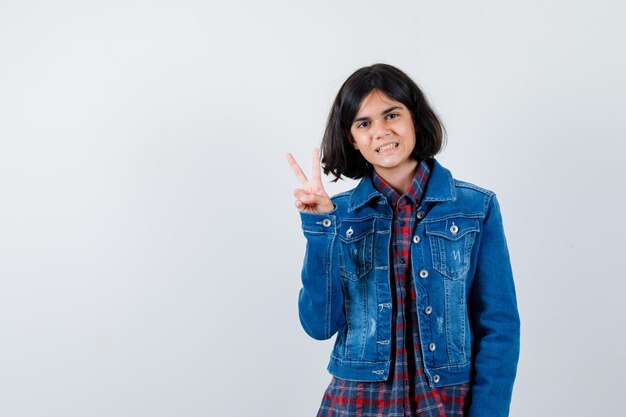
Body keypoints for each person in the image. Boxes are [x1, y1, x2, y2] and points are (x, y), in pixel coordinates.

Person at [286, 63, 520, 417]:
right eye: (364, 123)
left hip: (445, 404)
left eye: (392, 115)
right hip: (357, 404)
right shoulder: (339, 213)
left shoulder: (475, 207)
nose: (380, 132)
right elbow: (318, 325)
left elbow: (499, 325)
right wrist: (320, 227)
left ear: (415, 119)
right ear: (352, 138)